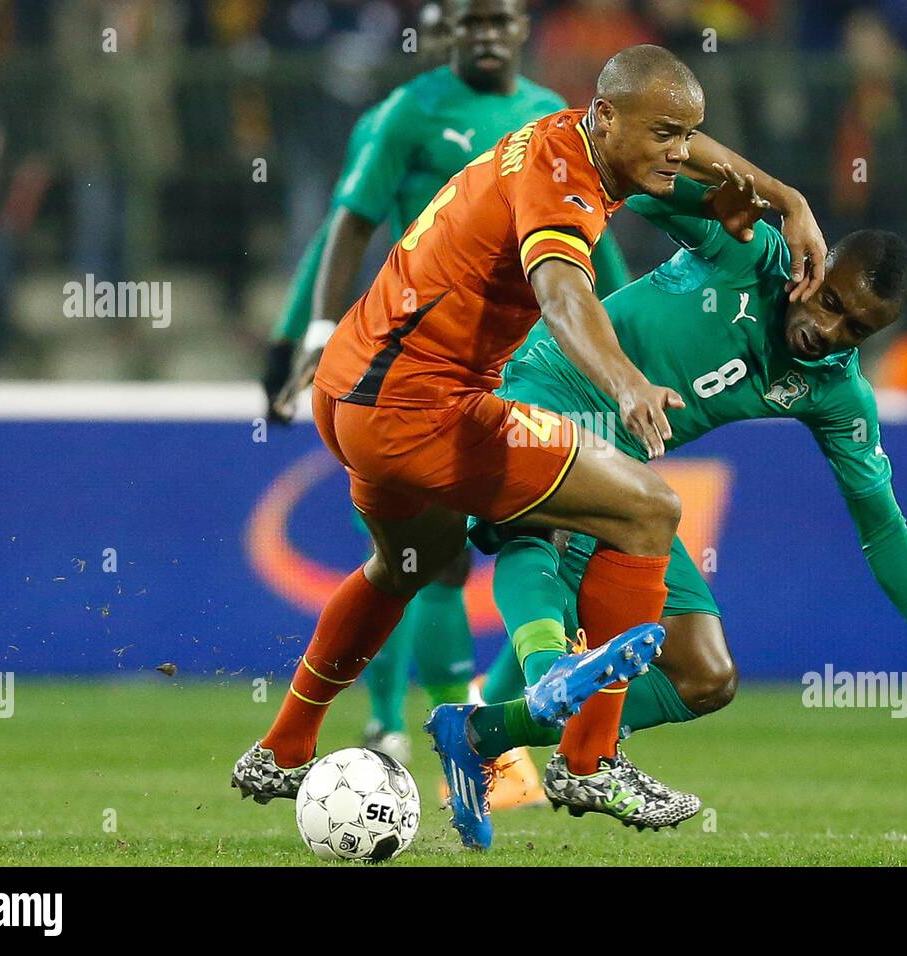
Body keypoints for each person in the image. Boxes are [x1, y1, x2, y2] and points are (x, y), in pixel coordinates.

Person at [233, 43, 828, 852]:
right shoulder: (561, 183)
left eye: (688, 133)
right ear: (607, 118)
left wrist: (784, 195)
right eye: (664, 134)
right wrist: (623, 381)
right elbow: (561, 291)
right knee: (649, 511)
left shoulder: (571, 134)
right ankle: (589, 760)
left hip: (352, 390)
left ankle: (284, 744)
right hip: (421, 406)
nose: (681, 153)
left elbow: (691, 151)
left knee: (406, 562)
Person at [446, 172, 907, 828]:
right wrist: (715, 198)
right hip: (553, 378)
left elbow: (882, 526)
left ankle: (483, 734)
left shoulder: (838, 396)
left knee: (706, 675)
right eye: (831, 300)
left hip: (624, 467)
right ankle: (567, 710)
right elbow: (634, 187)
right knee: (550, 523)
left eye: (856, 329)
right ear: (815, 265)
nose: (830, 328)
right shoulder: (747, 251)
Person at [258, 0, 630, 808]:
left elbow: (591, 247)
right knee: (437, 558)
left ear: (523, 27)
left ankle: (452, 736)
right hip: (407, 360)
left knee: (447, 554)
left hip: (509, 364)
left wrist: (626, 345)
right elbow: (345, 227)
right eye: (470, 22)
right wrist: (305, 333)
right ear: (443, 32)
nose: (487, 34)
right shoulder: (409, 113)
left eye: (500, 19)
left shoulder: (549, 120)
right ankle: (411, 725)